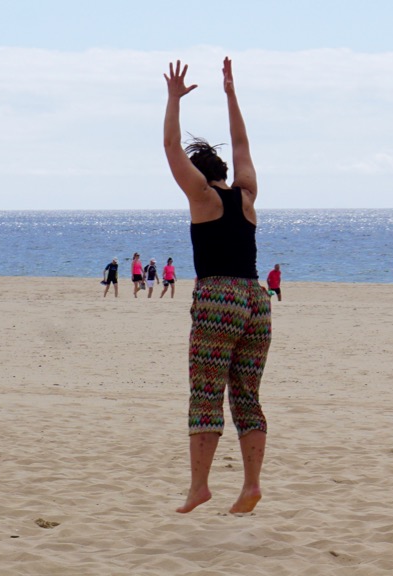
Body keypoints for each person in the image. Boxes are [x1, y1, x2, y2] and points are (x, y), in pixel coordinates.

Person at [164, 57, 271, 514]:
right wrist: (230, 93)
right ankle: (250, 486)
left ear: (200, 173)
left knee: (206, 392)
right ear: (224, 168)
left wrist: (172, 100)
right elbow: (244, 143)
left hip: (218, 299)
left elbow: (170, 148)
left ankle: (199, 487)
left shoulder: (202, 197)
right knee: (246, 394)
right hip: (256, 299)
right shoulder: (246, 195)